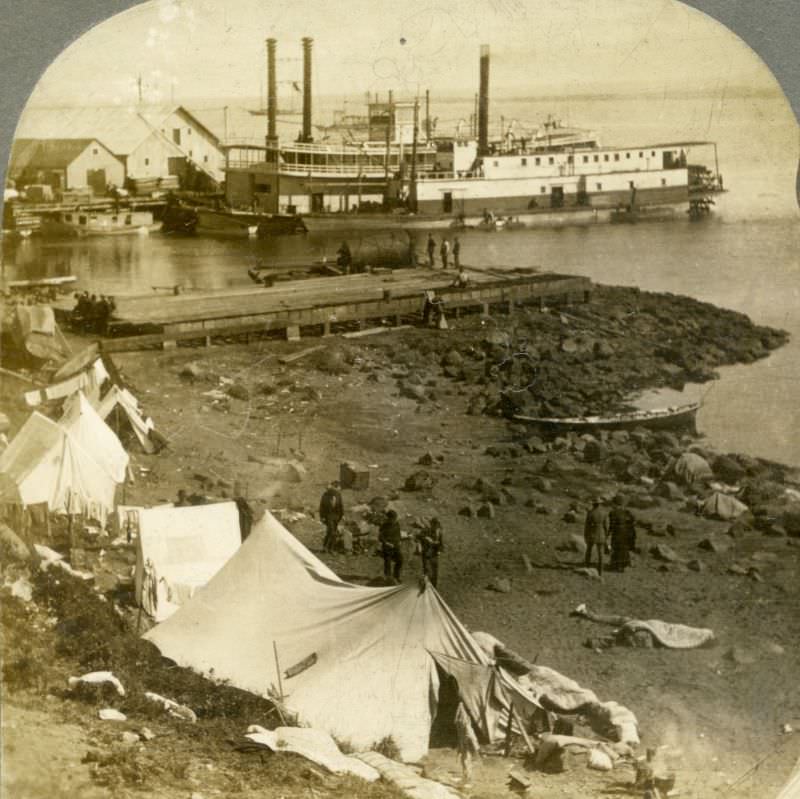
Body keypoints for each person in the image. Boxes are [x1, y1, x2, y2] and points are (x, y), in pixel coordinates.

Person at [608, 494, 637, 572]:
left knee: (616, 549)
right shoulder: (627, 512)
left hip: (617, 533)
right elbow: (633, 521)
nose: (612, 505)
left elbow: (611, 525)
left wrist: (608, 533)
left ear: (615, 503)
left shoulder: (613, 512)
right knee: (624, 549)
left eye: (613, 503)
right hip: (626, 533)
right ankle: (623, 565)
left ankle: (616, 566)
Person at [454, 702, 480, 787]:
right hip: (464, 744)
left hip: (468, 745)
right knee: (464, 761)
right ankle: (465, 778)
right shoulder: (462, 725)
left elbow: (471, 737)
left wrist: (474, 747)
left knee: (466, 761)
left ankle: (469, 780)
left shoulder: (466, 726)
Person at [584, 497, 609, 575]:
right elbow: (606, 526)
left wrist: (585, 535)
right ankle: (600, 571)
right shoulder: (604, 513)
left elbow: (587, 526)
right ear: (600, 504)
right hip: (601, 534)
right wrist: (606, 535)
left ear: (594, 504)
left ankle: (587, 567)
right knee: (601, 554)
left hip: (591, 534)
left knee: (588, 551)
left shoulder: (590, 513)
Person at [417, 517, 444, 587]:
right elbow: (418, 536)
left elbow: (441, 544)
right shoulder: (426, 530)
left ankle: (434, 587)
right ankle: (425, 587)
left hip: (434, 555)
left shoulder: (439, 533)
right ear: (431, 524)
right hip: (426, 554)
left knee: (435, 572)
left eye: (436, 526)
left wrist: (439, 551)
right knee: (427, 570)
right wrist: (426, 538)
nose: (435, 527)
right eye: (433, 525)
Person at [379, 509, 403, 583]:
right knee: (388, 562)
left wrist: (400, 541)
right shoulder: (384, 526)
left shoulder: (397, 524)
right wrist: (387, 543)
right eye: (393, 518)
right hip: (387, 548)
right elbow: (380, 537)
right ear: (389, 518)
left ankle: (396, 576)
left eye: (395, 518)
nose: (394, 520)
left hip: (396, 546)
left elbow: (399, 534)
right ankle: (388, 578)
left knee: (400, 560)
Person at [319, 481, 344, 553]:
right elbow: (322, 507)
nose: (339, 489)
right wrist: (322, 517)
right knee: (332, 531)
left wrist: (342, 515)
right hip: (328, 516)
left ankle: (329, 548)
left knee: (332, 532)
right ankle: (328, 548)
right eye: (338, 487)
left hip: (337, 516)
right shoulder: (326, 495)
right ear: (335, 487)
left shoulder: (338, 495)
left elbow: (341, 505)